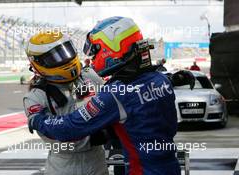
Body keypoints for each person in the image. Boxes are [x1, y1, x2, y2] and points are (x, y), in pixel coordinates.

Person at [28, 17, 194, 175]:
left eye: (96, 51)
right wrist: (174, 78)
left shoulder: (116, 93)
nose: (93, 57)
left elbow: (70, 127)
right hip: (169, 167)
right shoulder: (160, 79)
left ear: (112, 48)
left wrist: (38, 120)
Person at [23, 31, 108, 175]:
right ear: (38, 63)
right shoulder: (36, 97)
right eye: (54, 57)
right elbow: (57, 136)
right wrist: (98, 132)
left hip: (97, 161)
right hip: (64, 166)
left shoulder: (89, 75)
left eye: (65, 51)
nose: (64, 59)